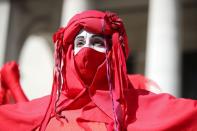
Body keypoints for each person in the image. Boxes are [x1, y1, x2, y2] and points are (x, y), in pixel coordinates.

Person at [0, 10, 197, 131]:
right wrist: (14, 87)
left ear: (113, 52)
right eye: (79, 42)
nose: (87, 50)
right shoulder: (47, 109)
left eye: (96, 42)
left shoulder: (139, 106)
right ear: (69, 52)